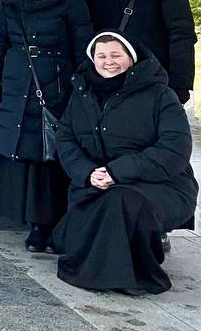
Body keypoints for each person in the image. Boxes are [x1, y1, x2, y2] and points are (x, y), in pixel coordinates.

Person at [54, 32, 197, 295]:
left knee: (121, 203)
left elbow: (174, 149)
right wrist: (87, 173)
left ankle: (127, 276)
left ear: (131, 58)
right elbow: (65, 138)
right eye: (101, 56)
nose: (108, 61)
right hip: (98, 182)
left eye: (115, 55)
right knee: (67, 236)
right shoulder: (82, 94)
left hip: (161, 184)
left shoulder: (161, 95)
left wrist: (117, 172)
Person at [0, 0, 92, 253]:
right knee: (25, 151)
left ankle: (53, 222)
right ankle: (35, 223)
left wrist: (82, 84)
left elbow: (82, 44)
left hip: (55, 82)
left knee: (51, 152)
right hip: (17, 79)